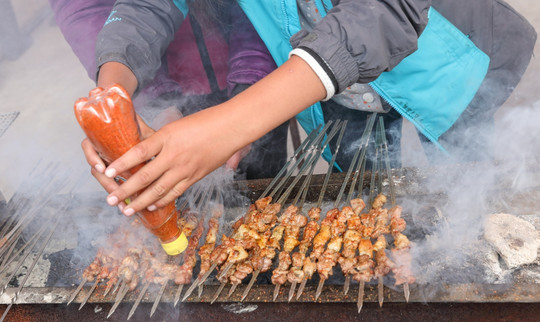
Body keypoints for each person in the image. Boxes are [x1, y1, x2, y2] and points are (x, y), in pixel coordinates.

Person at [80, 0, 535, 218]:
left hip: (446, 62)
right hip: (329, 87)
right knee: (363, 201)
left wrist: (231, 124)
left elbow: (386, 11)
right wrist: (112, 94)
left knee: (468, 191)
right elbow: (147, 7)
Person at [50, 0, 287, 180]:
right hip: (146, 82)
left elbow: (267, 10)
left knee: (262, 184)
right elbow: (88, 10)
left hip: (257, 81)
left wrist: (248, 91)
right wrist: (136, 100)